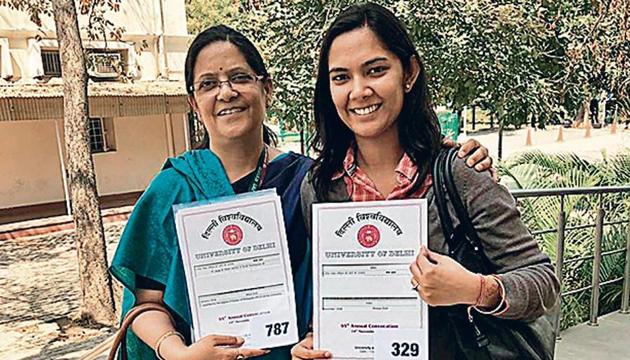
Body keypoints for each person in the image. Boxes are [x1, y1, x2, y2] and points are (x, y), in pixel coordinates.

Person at [109, 25, 494, 360]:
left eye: (240, 78)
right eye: (208, 84)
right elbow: (146, 304)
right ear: (194, 103)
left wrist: (450, 154)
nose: (225, 93)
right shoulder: (175, 186)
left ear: (267, 88)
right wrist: (179, 354)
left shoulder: (308, 180)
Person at [294, 3, 560, 360]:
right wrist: (317, 341)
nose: (358, 91)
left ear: (409, 72)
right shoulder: (321, 187)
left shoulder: (459, 173)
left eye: (375, 70)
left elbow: (543, 282)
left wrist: (477, 289)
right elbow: (338, 298)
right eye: (341, 77)